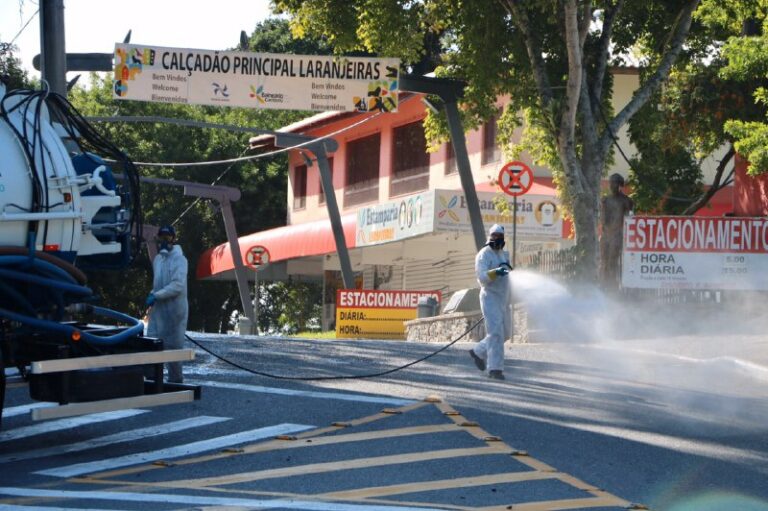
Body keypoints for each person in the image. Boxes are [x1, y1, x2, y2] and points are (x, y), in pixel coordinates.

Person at [145, 225, 189, 383]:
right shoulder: (158, 260)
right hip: (159, 311)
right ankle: (152, 380)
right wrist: (152, 294)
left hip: (175, 313)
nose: (164, 241)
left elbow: (177, 285)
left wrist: (156, 295)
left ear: (173, 239)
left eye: (168, 238)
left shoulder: (180, 260)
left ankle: (175, 381)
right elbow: (159, 283)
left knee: (173, 349)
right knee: (152, 342)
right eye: (161, 238)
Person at [469, 224, 513, 380]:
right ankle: (495, 369)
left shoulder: (503, 254)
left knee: (506, 333)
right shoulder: (484, 255)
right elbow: (482, 277)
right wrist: (496, 273)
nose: (497, 239)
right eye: (494, 236)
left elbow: (509, 275)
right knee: (495, 333)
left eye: (499, 236)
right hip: (490, 297)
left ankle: (478, 351)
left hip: (504, 298)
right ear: (490, 236)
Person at [600, 173, 634, 288]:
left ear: (620, 185)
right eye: (610, 182)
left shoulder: (626, 201)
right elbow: (603, 221)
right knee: (604, 262)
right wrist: (603, 207)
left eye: (614, 183)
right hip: (606, 235)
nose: (611, 185)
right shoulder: (606, 200)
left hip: (617, 235)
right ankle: (604, 286)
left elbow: (629, 220)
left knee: (612, 262)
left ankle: (612, 286)